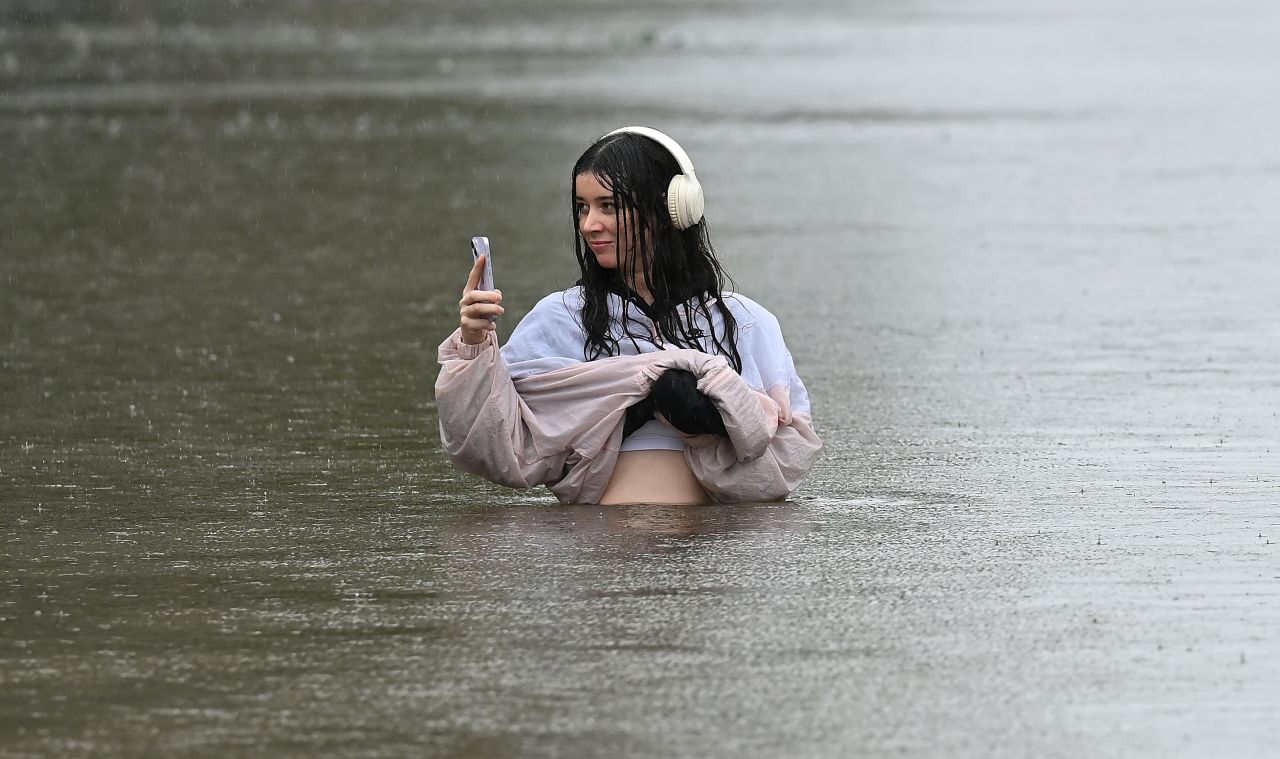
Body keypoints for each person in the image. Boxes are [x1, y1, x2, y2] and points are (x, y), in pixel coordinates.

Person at [435, 126, 822, 505]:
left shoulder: (746, 322)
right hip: (596, 555)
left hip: (715, 557)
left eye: (609, 206)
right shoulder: (562, 318)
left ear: (670, 208)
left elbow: (789, 457)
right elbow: (487, 448)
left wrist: (702, 418)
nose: (589, 225)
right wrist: (473, 343)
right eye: (582, 208)